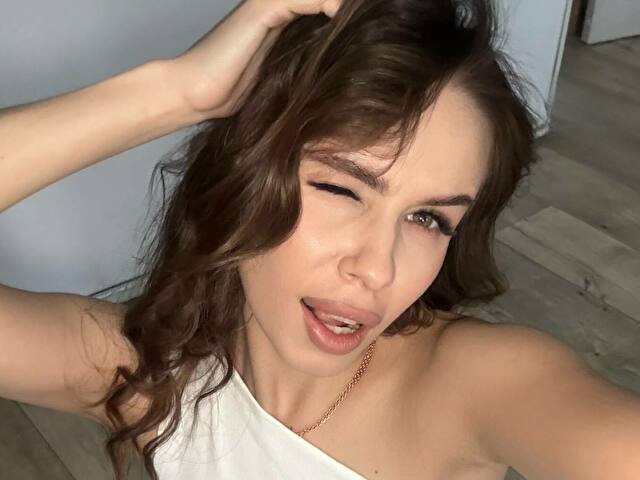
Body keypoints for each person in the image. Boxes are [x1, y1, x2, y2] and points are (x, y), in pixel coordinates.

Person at [1, 0, 639, 479]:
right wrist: (178, 92)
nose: (377, 269)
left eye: (429, 219)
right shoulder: (148, 378)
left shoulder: (475, 384)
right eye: (341, 188)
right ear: (243, 175)